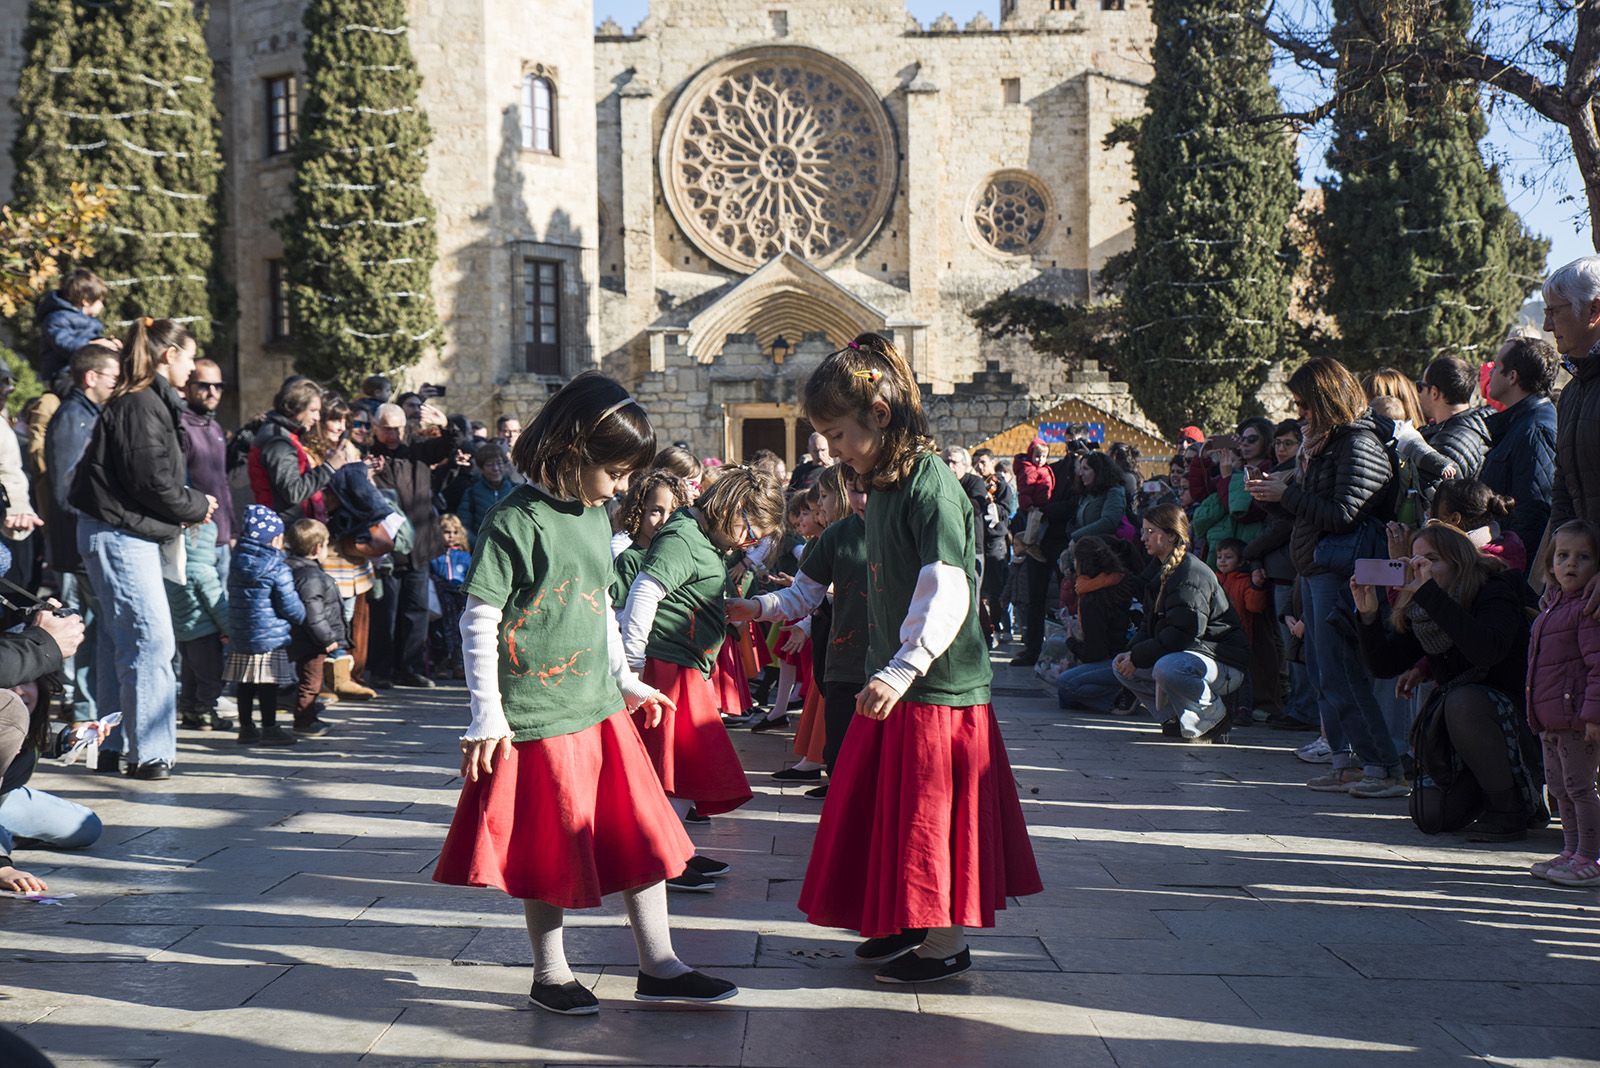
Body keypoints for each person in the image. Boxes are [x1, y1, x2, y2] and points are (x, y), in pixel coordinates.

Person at [731, 333, 1041, 985]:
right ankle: (905, 920)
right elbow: (815, 590)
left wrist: (902, 668)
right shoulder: (879, 490)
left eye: (837, 434)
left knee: (931, 819)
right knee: (891, 816)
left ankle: (944, 942)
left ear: (879, 414)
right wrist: (755, 612)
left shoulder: (932, 488)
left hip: (935, 690)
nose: (831, 450)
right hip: (894, 684)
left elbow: (946, 585)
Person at [434, 371, 738, 1014]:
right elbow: (480, 619)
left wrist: (626, 679)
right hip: (538, 716)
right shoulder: (514, 520)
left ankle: (659, 963)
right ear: (575, 451)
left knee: (641, 831)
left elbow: (599, 603)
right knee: (551, 843)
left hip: (598, 707)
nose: (624, 486)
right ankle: (551, 974)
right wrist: (487, 715)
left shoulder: (597, 514)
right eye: (617, 471)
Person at [70, 317, 218, 780]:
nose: (193, 367)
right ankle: (149, 753)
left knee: (124, 642)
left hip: (121, 531)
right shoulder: (140, 403)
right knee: (152, 641)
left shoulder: (146, 401)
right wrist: (197, 504)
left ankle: (115, 746)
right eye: (190, 356)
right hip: (118, 533)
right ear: (169, 355)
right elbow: (150, 478)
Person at [619, 467, 778, 889]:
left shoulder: (699, 536)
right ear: (732, 508)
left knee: (687, 762)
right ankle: (662, 857)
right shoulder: (684, 537)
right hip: (665, 667)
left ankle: (677, 849)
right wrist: (633, 667)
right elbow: (645, 591)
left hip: (684, 666)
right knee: (670, 763)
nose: (750, 542)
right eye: (751, 530)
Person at [1249, 357, 1402, 795]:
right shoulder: (1324, 444)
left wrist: (1288, 493)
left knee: (1341, 670)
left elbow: (1343, 513)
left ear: (1325, 399)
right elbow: (1310, 511)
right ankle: (1345, 762)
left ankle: (1382, 767)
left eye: (1304, 404)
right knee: (1322, 669)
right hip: (1317, 567)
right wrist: (1271, 496)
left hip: (1340, 570)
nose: (1299, 414)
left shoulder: (1358, 444)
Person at [1353, 522, 1540, 824]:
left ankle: (1510, 806)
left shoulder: (1496, 589)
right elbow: (1384, 665)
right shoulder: (1424, 607)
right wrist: (1368, 614)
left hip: (1518, 720)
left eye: (1432, 560)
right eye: (1414, 560)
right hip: (1464, 735)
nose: (1420, 567)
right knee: (1430, 816)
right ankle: (1485, 792)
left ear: (1460, 562)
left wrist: (1428, 595)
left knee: (1462, 699)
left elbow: (1484, 651)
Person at [1113, 505, 1248, 741]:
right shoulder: (1160, 570)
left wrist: (1139, 656)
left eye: (1149, 531)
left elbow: (1183, 634)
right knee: (1121, 664)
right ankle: (1175, 717)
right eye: (1143, 531)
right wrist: (1131, 654)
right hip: (1190, 655)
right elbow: (1150, 625)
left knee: (1166, 667)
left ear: (1171, 535)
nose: (1143, 537)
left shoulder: (1189, 574)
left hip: (1223, 664)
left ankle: (1214, 718)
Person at [44, 341, 120, 723]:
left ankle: (90, 707)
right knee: (84, 631)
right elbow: (66, 491)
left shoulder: (90, 414)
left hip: (83, 544)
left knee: (93, 631)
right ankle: (86, 709)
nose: (117, 385)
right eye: (113, 378)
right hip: (77, 548)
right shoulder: (75, 418)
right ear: (91, 378)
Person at [1524, 520, 1600, 885]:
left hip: (1576, 720)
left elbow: (1597, 666)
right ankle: (1570, 849)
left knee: (1580, 788)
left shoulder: (1588, 611)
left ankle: (1589, 855)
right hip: (1550, 719)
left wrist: (1593, 716)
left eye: (1583, 557)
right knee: (1558, 789)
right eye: (1563, 556)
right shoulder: (1549, 608)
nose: (1571, 564)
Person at [370, 399, 463, 688]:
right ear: (376, 428)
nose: (393, 435)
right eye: (387, 429)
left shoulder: (418, 452)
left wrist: (444, 424)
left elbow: (450, 446)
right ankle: (383, 670)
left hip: (420, 543)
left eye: (397, 429)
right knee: (386, 611)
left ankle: (409, 667)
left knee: (416, 609)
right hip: (387, 546)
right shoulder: (370, 456)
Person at [225, 505, 306, 746]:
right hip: (269, 635)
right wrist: (302, 617)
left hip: (242, 633)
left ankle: (247, 728)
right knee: (268, 684)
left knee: (245, 683)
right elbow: (288, 602)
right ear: (275, 538)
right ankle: (270, 727)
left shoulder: (237, 561)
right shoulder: (277, 566)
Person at [1541, 257, 1600, 554]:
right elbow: (1563, 483)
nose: (1546, 325)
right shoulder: (1573, 391)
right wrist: (1562, 555)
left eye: (1554, 311)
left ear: (1594, 310)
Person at [1480, 335, 1558, 554]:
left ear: (1512, 377)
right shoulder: (1519, 424)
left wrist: (1508, 568)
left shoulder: (1535, 429)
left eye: (1496, 367)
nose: (1491, 373)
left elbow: (1533, 514)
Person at [1054, 536, 1136, 713]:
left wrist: (1071, 642)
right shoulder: (1121, 579)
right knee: (1065, 698)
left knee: (1065, 685)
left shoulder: (1092, 598)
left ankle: (1117, 699)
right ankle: (1120, 693)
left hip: (1115, 661)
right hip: (1127, 653)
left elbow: (1095, 653)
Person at [249, 377, 343, 523]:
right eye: (313, 410)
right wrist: (329, 467)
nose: (317, 417)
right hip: (283, 529)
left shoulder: (285, 434)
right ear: (295, 407)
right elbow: (293, 492)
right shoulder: (278, 440)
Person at [166, 520, 231, 732]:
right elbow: (217, 606)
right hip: (205, 635)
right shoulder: (204, 572)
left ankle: (189, 711)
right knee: (209, 676)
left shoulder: (174, 571)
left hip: (183, 635)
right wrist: (231, 631)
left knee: (189, 676)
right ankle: (206, 712)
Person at [285, 518, 345, 736]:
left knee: (305, 679)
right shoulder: (311, 576)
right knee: (311, 682)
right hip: (312, 641)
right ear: (317, 548)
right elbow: (314, 614)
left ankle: (306, 715)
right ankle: (304, 721)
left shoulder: (290, 568)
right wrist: (328, 638)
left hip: (300, 638)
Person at [181, 358, 235, 579]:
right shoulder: (181, 427)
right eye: (204, 385)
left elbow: (221, 482)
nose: (212, 392)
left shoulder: (214, 426)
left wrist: (233, 530)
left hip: (223, 537)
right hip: (197, 539)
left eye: (218, 386)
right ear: (188, 387)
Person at [1213, 538, 1274, 721]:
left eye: (1228, 557)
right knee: (1220, 673)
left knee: (1243, 674)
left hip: (1241, 636)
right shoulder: (1214, 579)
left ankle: (1243, 707)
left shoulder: (1244, 581)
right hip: (1217, 637)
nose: (1222, 561)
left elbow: (1254, 606)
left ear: (1240, 562)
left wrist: (1256, 586)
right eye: (1219, 557)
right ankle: (1223, 707)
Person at [1418, 356, 1491, 482]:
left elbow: (1429, 496)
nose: (1418, 393)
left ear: (1434, 392)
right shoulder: (1463, 428)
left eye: (1420, 387)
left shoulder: (1449, 444)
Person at [34, 268, 110, 385]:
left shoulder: (88, 322)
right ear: (86, 301)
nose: (102, 306)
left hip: (82, 372)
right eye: (100, 301)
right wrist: (94, 346)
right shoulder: (56, 318)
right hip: (62, 376)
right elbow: (65, 344)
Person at [972, 448, 1016, 642]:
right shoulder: (976, 483)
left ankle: (1001, 627)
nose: (979, 466)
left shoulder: (999, 484)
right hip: (978, 540)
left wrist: (990, 503)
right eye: (976, 462)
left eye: (983, 462)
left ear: (992, 461)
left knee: (997, 588)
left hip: (995, 542)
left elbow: (1007, 512)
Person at [430, 514, 471, 679]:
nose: (451, 536)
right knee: (440, 632)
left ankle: (458, 664)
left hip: (459, 597)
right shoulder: (434, 555)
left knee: (459, 631)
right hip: (441, 598)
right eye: (447, 532)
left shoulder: (465, 556)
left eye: (455, 532)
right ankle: (441, 664)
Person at [1067, 451, 1129, 548]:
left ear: (1099, 472)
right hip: (1086, 549)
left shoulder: (1114, 492)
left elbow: (1109, 522)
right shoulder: (1087, 494)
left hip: (1105, 551)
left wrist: (1077, 537)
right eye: (1080, 468)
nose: (1080, 473)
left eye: (1086, 469)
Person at [456, 444, 515, 544]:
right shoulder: (471, 493)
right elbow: (464, 526)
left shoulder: (515, 491)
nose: (496, 468)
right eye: (490, 464)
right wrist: (480, 546)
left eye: (499, 463)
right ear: (481, 468)